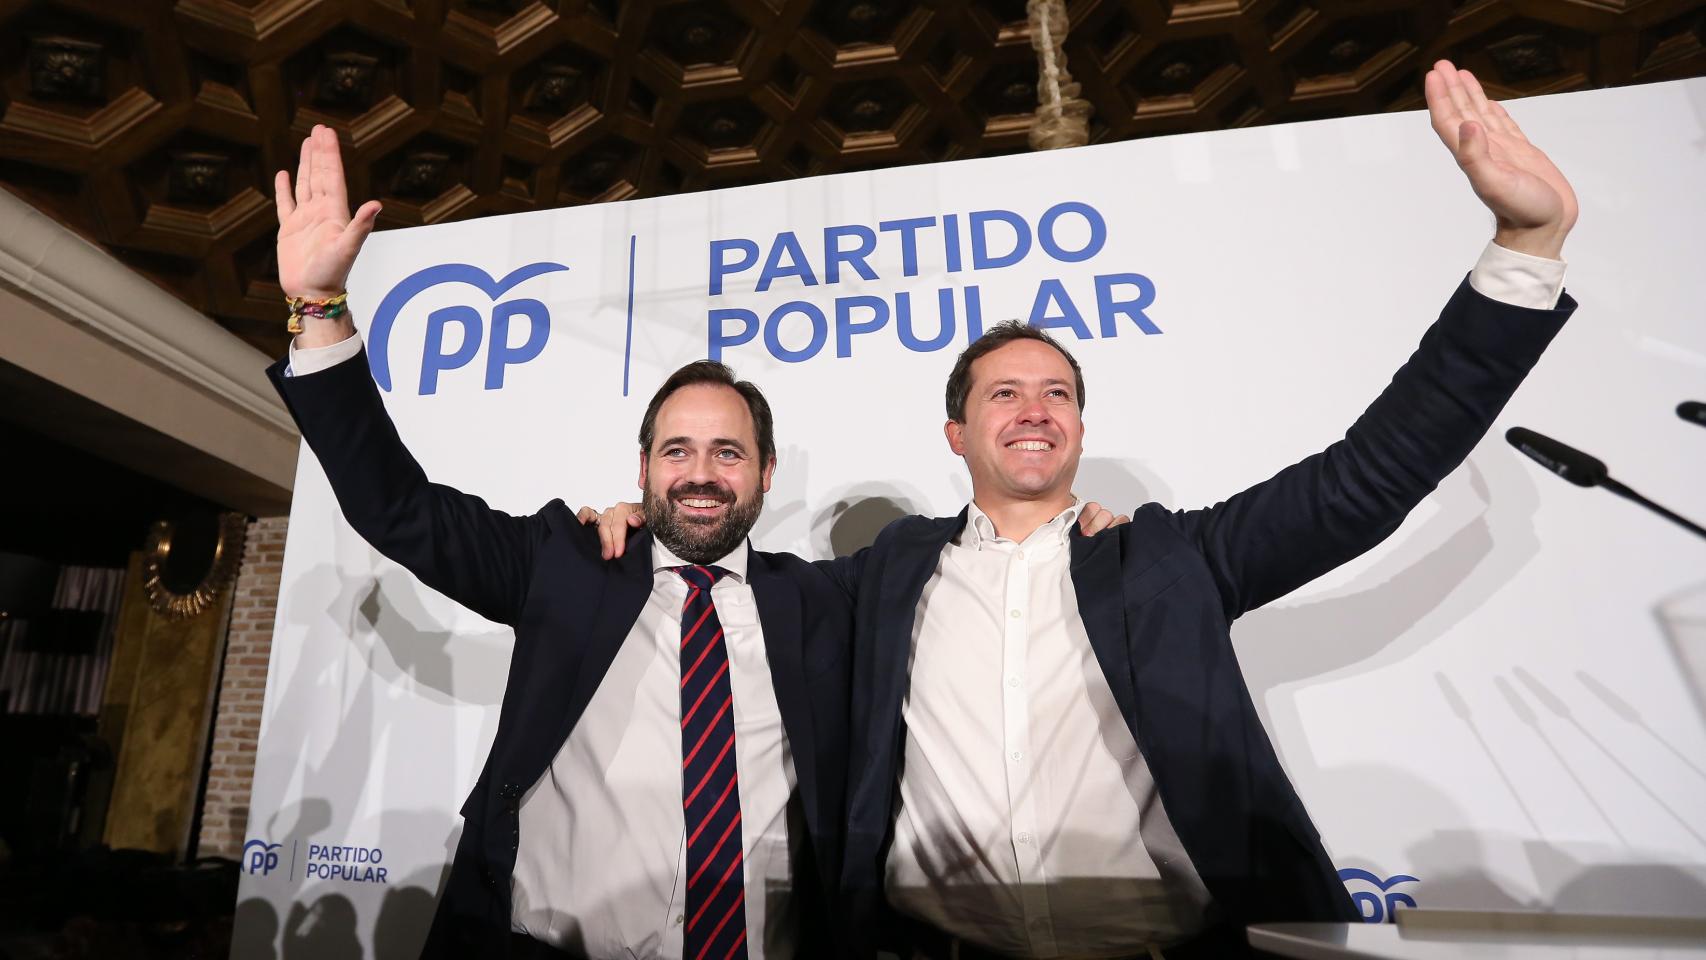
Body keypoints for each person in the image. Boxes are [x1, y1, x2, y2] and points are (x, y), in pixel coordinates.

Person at [587, 59, 1580, 958]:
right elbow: (724, 567)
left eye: (1056, 392)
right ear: (956, 434)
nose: (1033, 409)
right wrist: (638, 533)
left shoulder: (1167, 559)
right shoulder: (880, 579)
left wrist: (1523, 247)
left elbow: (1368, 476)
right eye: (1004, 394)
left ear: (1075, 426)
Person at [267, 125, 1125, 958]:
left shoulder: (827, 601)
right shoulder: (564, 564)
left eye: (728, 452)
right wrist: (319, 306)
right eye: (678, 451)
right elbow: (397, 507)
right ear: (644, 468)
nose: (702, 473)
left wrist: (1069, 525)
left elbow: (975, 562)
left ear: (766, 471)